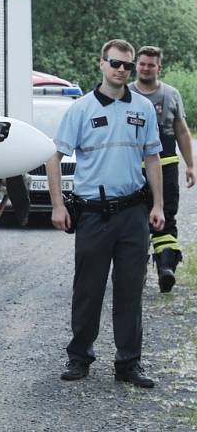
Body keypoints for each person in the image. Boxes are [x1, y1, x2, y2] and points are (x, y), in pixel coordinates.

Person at [47, 39, 165, 389]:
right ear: (101, 63)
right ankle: (79, 357)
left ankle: (128, 363)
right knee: (88, 289)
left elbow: (153, 157)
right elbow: (55, 158)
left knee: (130, 290)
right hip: (93, 215)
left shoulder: (143, 109)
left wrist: (157, 205)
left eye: (127, 66)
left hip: (132, 213)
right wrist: (57, 205)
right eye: (115, 63)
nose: (121, 70)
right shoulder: (80, 110)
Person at [130, 45, 194, 292]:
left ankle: (166, 267)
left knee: (165, 217)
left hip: (165, 167)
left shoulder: (171, 94)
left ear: (159, 67)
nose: (146, 68)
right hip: (131, 170)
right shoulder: (125, 93)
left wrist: (190, 165)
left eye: (151, 64)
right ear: (137, 65)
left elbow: (181, 131)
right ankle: (133, 271)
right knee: (132, 219)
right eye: (142, 63)